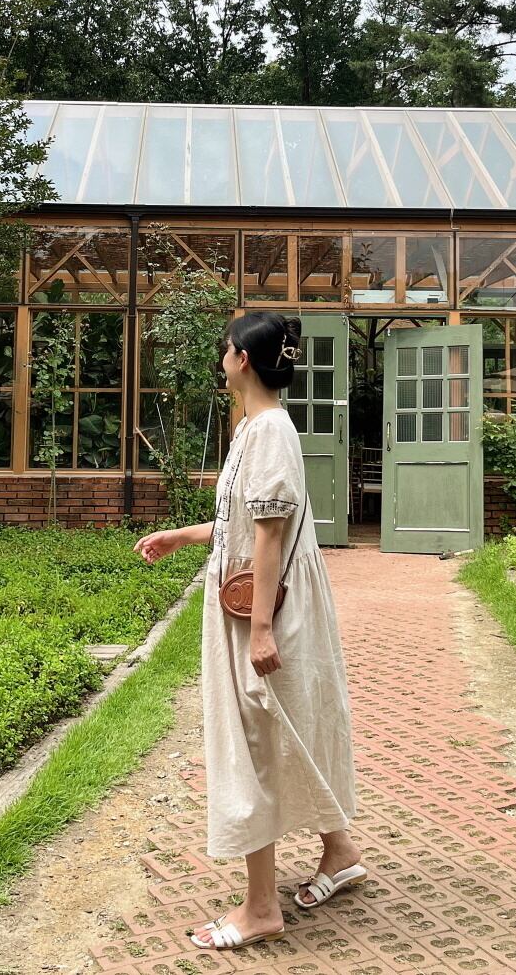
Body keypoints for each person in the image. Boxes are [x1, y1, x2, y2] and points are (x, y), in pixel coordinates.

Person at [134, 311, 364, 952]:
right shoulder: (255, 428)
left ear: (241, 359)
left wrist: (261, 629)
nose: (221, 357)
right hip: (262, 605)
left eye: (225, 349)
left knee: (253, 740)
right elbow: (247, 521)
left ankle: (261, 907)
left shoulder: (268, 432)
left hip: (264, 612)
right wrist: (183, 535)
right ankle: (340, 850)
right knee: (284, 726)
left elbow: (269, 535)